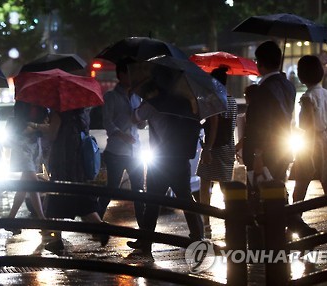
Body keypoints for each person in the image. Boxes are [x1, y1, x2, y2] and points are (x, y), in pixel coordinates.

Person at [241, 40, 314, 237]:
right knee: (278, 193)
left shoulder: (263, 90)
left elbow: (261, 125)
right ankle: (289, 230)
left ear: (260, 63)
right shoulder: (288, 86)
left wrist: (257, 155)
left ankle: (277, 236)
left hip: (265, 152)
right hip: (282, 149)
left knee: (260, 196)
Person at [126, 77, 204, 254]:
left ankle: (145, 242)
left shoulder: (153, 104)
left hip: (161, 159)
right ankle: (198, 236)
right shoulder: (183, 101)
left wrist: (140, 99)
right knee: (185, 199)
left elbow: (135, 117)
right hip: (180, 158)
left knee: (153, 200)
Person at [33, 108, 109, 251]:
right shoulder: (81, 113)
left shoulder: (59, 112)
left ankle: (57, 240)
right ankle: (100, 227)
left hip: (63, 163)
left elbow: (52, 135)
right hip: (77, 164)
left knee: (56, 199)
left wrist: (40, 127)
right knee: (80, 201)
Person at [291, 55, 327, 249]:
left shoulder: (307, 98)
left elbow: (305, 124)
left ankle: (296, 233)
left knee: (299, 192)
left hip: (310, 144)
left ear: (301, 75)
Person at [99, 58, 145, 226]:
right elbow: (107, 122)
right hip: (116, 151)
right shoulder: (111, 97)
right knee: (111, 188)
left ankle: (144, 230)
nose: (132, 77)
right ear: (121, 75)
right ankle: (96, 222)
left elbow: (141, 122)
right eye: (129, 73)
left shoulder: (137, 97)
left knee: (139, 191)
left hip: (136, 151)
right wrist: (121, 135)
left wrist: (142, 120)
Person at [196, 67, 237, 238]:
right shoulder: (232, 100)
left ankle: (206, 225)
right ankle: (231, 222)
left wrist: (208, 149)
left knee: (205, 185)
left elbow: (214, 126)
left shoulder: (215, 101)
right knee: (225, 186)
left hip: (215, 148)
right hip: (228, 146)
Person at [5, 100, 48, 234]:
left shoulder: (42, 105)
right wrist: (38, 126)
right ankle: (42, 220)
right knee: (32, 182)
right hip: (22, 145)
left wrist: (34, 126)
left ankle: (10, 220)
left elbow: (46, 125)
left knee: (24, 185)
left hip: (35, 145)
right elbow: (21, 125)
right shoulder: (22, 102)